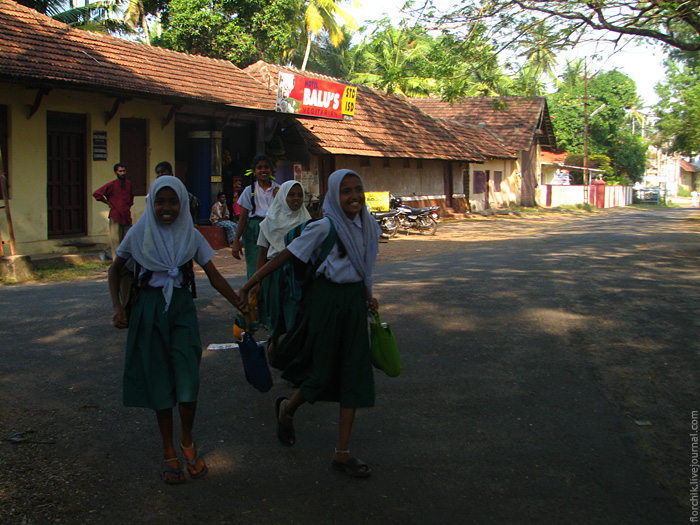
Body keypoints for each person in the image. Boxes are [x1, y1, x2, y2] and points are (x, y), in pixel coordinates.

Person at [239, 169, 381, 478]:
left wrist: (368, 295)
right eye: (346, 191)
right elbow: (285, 257)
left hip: (354, 305)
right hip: (326, 303)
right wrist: (251, 282)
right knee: (321, 371)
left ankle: (342, 454)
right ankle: (287, 410)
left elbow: (364, 266)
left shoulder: (369, 225)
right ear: (333, 195)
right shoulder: (324, 227)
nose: (354, 196)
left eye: (358, 189)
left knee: (354, 374)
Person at [108, 175, 249, 485]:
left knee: (187, 380)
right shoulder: (139, 233)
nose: (167, 208)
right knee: (159, 380)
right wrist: (118, 307)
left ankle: (186, 440)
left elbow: (213, 275)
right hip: (148, 310)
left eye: (173, 201)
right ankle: (168, 449)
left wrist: (239, 303)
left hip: (182, 310)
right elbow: (115, 270)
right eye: (160, 201)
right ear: (151, 203)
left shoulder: (191, 235)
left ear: (183, 204)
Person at [254, 181, 310, 363]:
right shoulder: (269, 222)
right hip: (275, 275)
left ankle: (295, 362)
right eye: (291, 195)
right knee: (277, 319)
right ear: (282, 197)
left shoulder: (307, 222)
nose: (296, 199)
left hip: (298, 274)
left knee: (296, 318)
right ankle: (274, 346)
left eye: (300, 195)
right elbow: (262, 254)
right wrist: (257, 281)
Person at [231, 155, 280, 279]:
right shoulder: (249, 191)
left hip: (273, 228)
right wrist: (236, 240)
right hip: (254, 229)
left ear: (271, 170)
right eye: (259, 167)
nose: (263, 170)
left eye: (266, 167)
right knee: (254, 263)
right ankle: (254, 289)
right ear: (254, 171)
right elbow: (243, 217)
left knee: (272, 262)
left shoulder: (279, 190)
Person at [93, 162, 134, 260]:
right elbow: (97, 194)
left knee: (129, 240)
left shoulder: (129, 184)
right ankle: (116, 262)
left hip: (126, 216)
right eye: (120, 171)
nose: (122, 173)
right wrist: (107, 202)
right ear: (116, 173)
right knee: (116, 242)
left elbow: (131, 198)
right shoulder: (111, 185)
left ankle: (128, 262)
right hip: (116, 216)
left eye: (124, 171)